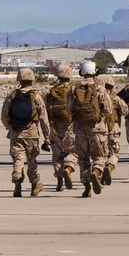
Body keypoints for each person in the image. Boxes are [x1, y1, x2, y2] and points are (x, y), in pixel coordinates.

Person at [1, 68, 50, 197]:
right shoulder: (36, 97)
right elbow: (43, 118)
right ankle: (35, 185)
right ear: (32, 79)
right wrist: (47, 136)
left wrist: (10, 128)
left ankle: (17, 182)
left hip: (16, 133)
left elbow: (4, 116)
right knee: (32, 159)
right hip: (32, 134)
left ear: (19, 79)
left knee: (18, 158)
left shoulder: (11, 96)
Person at [67, 61, 113, 197]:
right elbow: (109, 110)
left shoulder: (74, 89)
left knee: (83, 158)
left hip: (80, 129)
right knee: (100, 156)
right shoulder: (100, 89)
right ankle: (97, 172)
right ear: (94, 73)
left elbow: (69, 109)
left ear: (82, 72)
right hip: (97, 128)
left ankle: (87, 187)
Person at [45, 63, 77, 192]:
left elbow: (45, 112)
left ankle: (59, 180)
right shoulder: (74, 91)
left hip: (55, 127)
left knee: (57, 155)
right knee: (73, 151)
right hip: (71, 127)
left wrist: (47, 133)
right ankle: (68, 168)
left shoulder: (50, 92)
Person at [101, 75, 128, 185]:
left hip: (100, 129)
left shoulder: (96, 97)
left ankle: (101, 173)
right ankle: (110, 166)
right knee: (114, 153)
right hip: (114, 128)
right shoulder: (115, 98)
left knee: (101, 154)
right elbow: (125, 111)